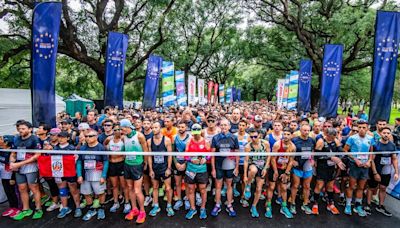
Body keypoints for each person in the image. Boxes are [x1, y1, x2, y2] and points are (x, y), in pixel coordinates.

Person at [10, 121, 43, 220]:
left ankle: (38, 208)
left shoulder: (34, 139)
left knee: (34, 188)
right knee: (22, 188)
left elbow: (37, 155)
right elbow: (13, 152)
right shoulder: (16, 139)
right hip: (19, 167)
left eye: (23, 129)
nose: (21, 131)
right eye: (19, 129)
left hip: (31, 167)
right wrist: (12, 161)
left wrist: (19, 164)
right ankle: (26, 209)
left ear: (30, 129)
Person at [365, 127, 399, 216]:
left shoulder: (392, 145)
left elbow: (394, 159)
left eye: (388, 133)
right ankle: (368, 205)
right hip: (376, 169)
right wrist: (375, 173)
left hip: (386, 170)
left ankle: (381, 206)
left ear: (390, 134)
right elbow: (371, 159)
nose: (386, 135)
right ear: (380, 134)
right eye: (384, 133)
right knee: (371, 188)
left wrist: (396, 172)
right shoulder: (375, 145)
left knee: (383, 188)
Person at [344, 119, 374, 217]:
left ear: (367, 128)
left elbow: (371, 152)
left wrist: (369, 161)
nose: (361, 129)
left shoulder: (370, 138)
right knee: (352, 186)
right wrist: (355, 159)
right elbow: (345, 151)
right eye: (359, 127)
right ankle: (348, 205)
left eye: (363, 128)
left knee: (361, 187)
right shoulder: (352, 138)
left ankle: (358, 205)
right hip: (354, 165)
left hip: (365, 166)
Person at [120, 119, 148, 223]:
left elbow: (145, 150)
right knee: (130, 188)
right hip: (127, 164)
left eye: (124, 128)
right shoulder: (124, 137)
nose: (122, 130)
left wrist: (145, 163)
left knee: (137, 190)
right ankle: (134, 209)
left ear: (128, 127)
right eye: (121, 129)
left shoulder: (139, 136)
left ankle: (142, 211)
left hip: (137, 165)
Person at [312, 128, 345, 215]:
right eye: (331, 137)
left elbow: (341, 152)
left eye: (334, 137)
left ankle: (330, 203)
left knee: (330, 186)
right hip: (322, 166)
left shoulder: (336, 141)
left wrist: (339, 160)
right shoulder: (321, 141)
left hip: (331, 167)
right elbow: (317, 156)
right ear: (327, 135)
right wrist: (331, 157)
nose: (333, 139)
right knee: (319, 185)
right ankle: (315, 204)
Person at [77, 129, 109, 221]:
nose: (87, 138)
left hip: (97, 173)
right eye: (86, 136)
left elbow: (106, 161)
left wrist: (103, 176)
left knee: (100, 192)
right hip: (85, 173)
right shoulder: (82, 148)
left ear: (96, 137)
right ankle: (91, 209)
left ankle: (101, 208)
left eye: (90, 136)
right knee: (86, 193)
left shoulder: (101, 148)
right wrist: (79, 175)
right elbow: (79, 161)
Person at [211, 118, 239, 217]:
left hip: (230, 165)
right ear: (219, 126)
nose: (223, 127)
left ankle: (229, 205)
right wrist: (213, 169)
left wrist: (236, 167)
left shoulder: (234, 138)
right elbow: (213, 154)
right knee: (218, 186)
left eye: (225, 125)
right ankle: (217, 204)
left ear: (229, 126)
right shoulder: (215, 138)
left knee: (229, 185)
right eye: (221, 125)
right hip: (218, 165)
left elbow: (237, 153)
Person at [147, 122, 174, 217]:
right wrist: (150, 169)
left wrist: (169, 168)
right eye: (153, 127)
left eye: (156, 127)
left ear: (160, 128)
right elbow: (149, 156)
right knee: (155, 187)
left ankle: (169, 206)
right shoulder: (149, 141)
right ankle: (156, 205)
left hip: (164, 167)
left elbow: (170, 155)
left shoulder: (166, 140)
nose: (154, 129)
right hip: (155, 167)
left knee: (168, 188)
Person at [184, 124, 210, 220]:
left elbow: (209, 154)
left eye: (197, 133)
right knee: (191, 189)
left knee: (203, 189)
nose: (196, 135)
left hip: (202, 169)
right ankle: (193, 208)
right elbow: (185, 155)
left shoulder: (206, 141)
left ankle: (202, 208)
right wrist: (191, 160)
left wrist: (205, 159)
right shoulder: (189, 141)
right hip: (191, 169)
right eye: (194, 133)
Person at [243, 128, 270, 218]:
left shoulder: (265, 143)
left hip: (262, 165)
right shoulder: (248, 146)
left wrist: (266, 168)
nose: (253, 138)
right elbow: (246, 161)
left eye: (255, 136)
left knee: (259, 189)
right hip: (253, 163)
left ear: (259, 135)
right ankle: (248, 185)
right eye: (251, 137)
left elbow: (269, 156)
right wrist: (245, 175)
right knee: (253, 170)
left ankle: (254, 206)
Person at [54, 131, 82, 218]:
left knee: (73, 190)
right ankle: (65, 208)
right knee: (62, 191)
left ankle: (78, 207)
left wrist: (77, 173)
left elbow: (76, 161)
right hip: (59, 172)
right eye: (59, 137)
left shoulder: (72, 148)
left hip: (70, 173)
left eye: (63, 137)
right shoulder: (55, 148)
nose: (61, 139)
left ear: (68, 138)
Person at [289, 124, 315, 215]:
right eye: (304, 130)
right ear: (300, 130)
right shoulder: (294, 140)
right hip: (297, 166)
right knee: (295, 185)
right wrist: (292, 161)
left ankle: (305, 204)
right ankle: (292, 203)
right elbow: (289, 151)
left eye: (308, 130)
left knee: (307, 186)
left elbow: (312, 151)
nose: (306, 132)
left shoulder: (312, 140)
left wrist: (312, 160)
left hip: (307, 166)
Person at [103, 123, 129, 214]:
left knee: (123, 185)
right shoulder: (109, 139)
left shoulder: (123, 139)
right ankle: (115, 202)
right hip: (112, 164)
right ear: (113, 131)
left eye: (119, 130)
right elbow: (104, 146)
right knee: (114, 185)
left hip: (121, 164)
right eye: (115, 130)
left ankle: (126, 202)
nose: (117, 131)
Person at [270, 127, 295, 219]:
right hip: (274, 167)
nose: (286, 136)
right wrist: (275, 171)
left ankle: (284, 207)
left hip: (284, 169)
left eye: (288, 134)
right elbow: (272, 158)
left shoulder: (293, 147)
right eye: (284, 134)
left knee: (284, 188)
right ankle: (268, 206)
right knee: (272, 187)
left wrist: (286, 173)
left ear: (291, 136)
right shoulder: (277, 144)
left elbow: (291, 161)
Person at [172, 121, 190, 211]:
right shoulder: (174, 137)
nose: (181, 128)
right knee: (178, 183)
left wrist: (185, 163)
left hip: (187, 163)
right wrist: (176, 163)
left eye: (182, 127)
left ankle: (187, 198)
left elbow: (190, 152)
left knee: (187, 183)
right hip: (177, 163)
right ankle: (179, 199)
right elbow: (172, 152)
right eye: (179, 127)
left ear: (186, 127)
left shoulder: (190, 138)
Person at [0, 135, 19, 218]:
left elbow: (14, 166)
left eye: (1, 139)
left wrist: (13, 178)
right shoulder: (1, 150)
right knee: (7, 191)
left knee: (13, 192)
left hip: (11, 175)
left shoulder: (13, 152)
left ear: (6, 142)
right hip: (3, 175)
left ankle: (17, 208)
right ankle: (12, 207)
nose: (0, 140)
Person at [234, 119, 249, 207]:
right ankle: (230, 198)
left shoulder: (248, 137)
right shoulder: (234, 136)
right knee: (233, 180)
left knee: (244, 181)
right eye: (240, 125)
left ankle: (243, 197)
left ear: (246, 126)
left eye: (243, 125)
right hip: (235, 162)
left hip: (244, 162)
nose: (241, 127)